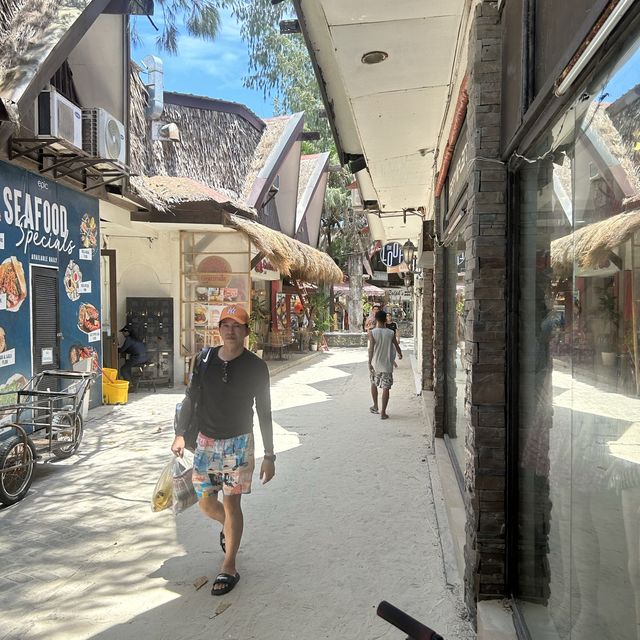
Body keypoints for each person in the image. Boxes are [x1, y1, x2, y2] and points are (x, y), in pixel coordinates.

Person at [171, 305, 275, 596]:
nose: (231, 331)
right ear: (219, 329)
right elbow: (191, 398)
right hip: (206, 441)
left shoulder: (256, 367)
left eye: (237, 325)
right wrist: (180, 435)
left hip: (238, 443)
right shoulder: (204, 359)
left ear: (246, 331)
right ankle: (228, 528)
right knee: (205, 504)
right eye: (226, 325)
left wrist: (269, 455)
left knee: (232, 505)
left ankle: (229, 565)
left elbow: (264, 411)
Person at [368, 309, 402, 420]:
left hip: (375, 364)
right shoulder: (390, 333)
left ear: (376, 319)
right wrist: (400, 354)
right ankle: (383, 412)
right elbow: (396, 345)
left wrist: (369, 363)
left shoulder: (372, 332)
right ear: (385, 320)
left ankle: (375, 406)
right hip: (387, 365)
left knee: (374, 384)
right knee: (386, 388)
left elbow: (371, 349)